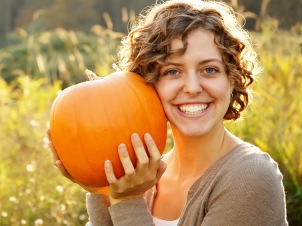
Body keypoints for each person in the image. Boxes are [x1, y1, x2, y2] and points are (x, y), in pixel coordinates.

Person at [47, 0, 288, 225]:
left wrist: (127, 202)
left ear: (232, 80)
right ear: (148, 84)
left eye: (210, 69)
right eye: (172, 71)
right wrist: (104, 191)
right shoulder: (139, 176)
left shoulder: (251, 177)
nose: (193, 88)